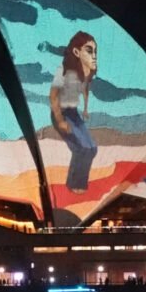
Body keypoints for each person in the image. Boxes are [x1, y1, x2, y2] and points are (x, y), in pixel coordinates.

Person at [49, 31, 98, 193]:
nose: (94, 55)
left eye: (94, 51)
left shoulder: (86, 73)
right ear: (77, 52)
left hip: (74, 113)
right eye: (89, 51)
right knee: (82, 147)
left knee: (92, 148)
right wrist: (60, 119)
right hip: (61, 113)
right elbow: (53, 95)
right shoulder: (63, 69)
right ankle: (74, 184)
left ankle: (80, 184)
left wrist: (85, 109)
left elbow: (85, 90)